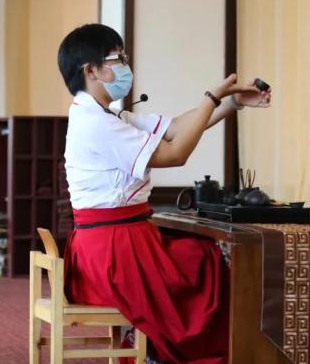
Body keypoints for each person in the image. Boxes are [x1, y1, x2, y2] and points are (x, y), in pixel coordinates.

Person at [57, 23, 271, 364]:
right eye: (117, 59)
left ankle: (159, 352)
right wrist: (212, 97)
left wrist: (231, 104)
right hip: (113, 250)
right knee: (204, 262)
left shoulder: (103, 115)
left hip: (114, 241)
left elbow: (175, 129)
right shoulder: (97, 123)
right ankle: (177, 352)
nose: (125, 66)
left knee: (197, 255)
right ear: (91, 71)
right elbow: (175, 153)